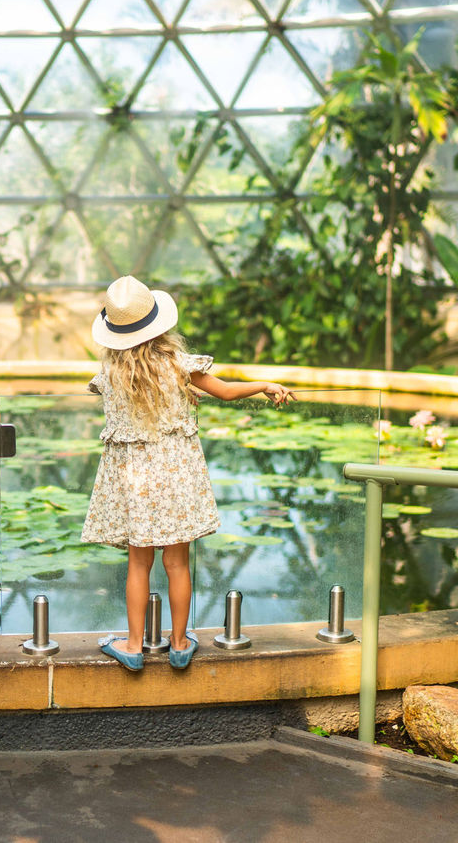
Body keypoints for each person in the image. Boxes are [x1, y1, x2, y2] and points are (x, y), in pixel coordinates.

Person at [82, 276, 295, 671]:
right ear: (159, 325)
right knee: (177, 563)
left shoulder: (110, 376)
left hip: (134, 483)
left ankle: (132, 645)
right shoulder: (179, 366)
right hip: (177, 479)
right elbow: (227, 391)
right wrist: (265, 385)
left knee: (138, 564)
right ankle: (179, 644)